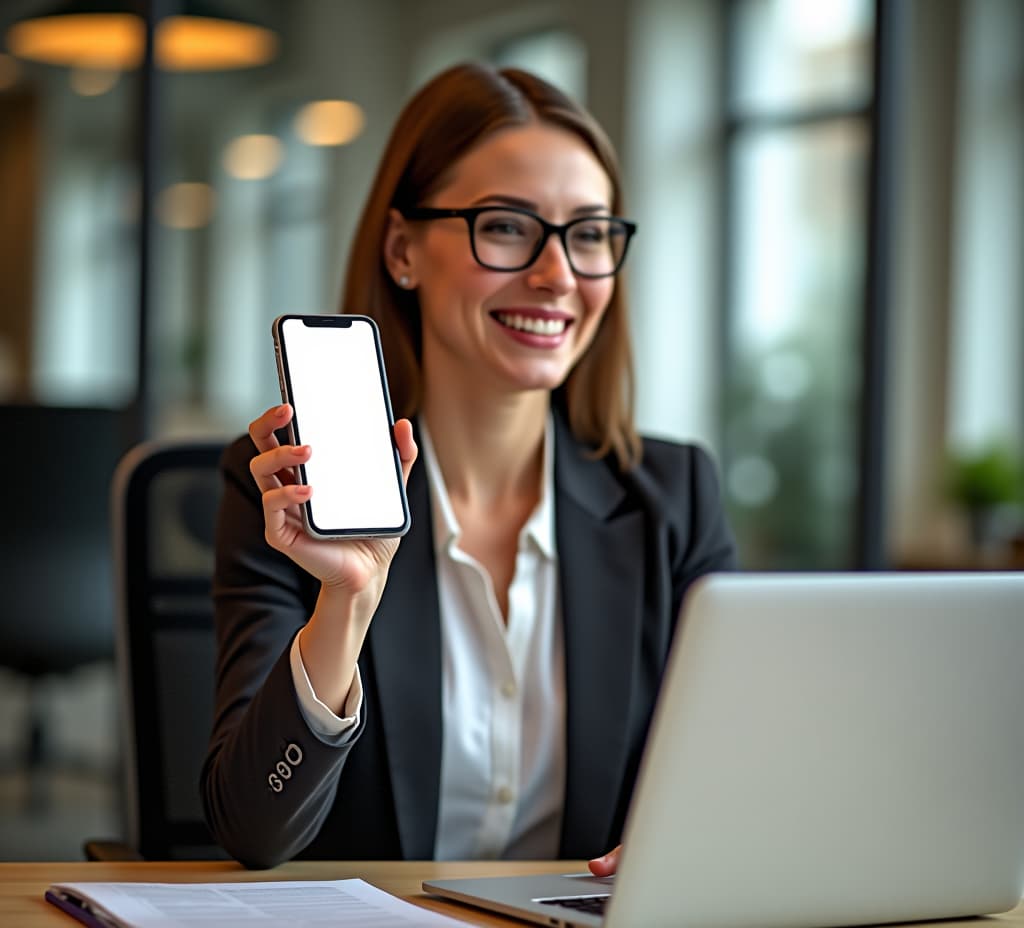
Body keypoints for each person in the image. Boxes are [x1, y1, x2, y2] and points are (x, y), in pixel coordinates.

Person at [201, 61, 737, 872]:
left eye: (589, 233)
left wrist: (697, 843)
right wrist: (344, 603)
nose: (558, 274)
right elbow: (254, 829)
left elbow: (735, 771)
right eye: (508, 226)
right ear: (402, 249)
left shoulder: (675, 497)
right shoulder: (291, 482)